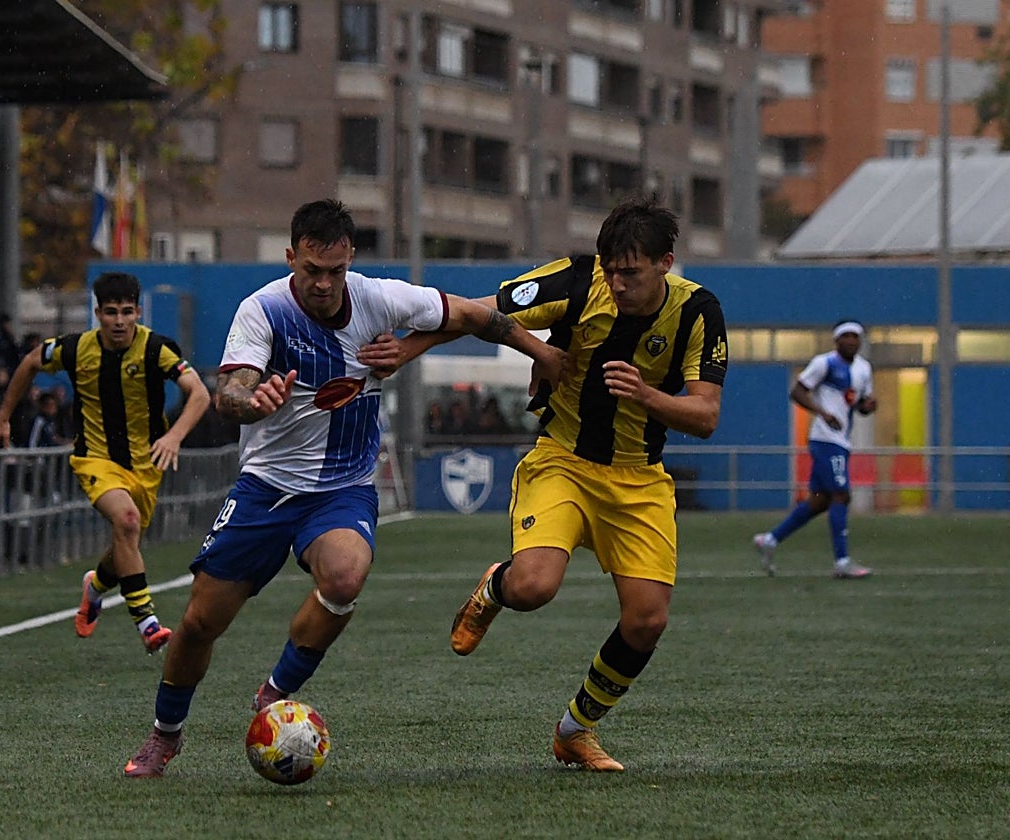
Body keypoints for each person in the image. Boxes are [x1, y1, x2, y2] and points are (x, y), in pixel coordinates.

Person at [122, 198, 566, 778]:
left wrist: (542, 353)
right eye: (312, 271)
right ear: (291, 259)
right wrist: (250, 399)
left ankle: (274, 692)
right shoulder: (263, 310)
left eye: (335, 271)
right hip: (266, 487)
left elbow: (472, 315)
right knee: (202, 622)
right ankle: (165, 734)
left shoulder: (380, 298)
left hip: (342, 487)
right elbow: (230, 389)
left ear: (350, 259)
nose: (324, 284)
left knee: (345, 577)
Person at [363, 195, 728, 772]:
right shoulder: (578, 281)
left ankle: (574, 731)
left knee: (647, 620)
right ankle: (497, 587)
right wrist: (408, 350)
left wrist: (647, 395)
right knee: (534, 588)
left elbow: (705, 416)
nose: (617, 282)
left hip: (639, 481)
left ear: (666, 262)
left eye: (630, 272)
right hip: (562, 461)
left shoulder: (698, 311)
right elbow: (473, 312)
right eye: (611, 269)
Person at [0, 272, 211, 652]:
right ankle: (147, 622)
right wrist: (3, 418)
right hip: (95, 459)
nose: (120, 321)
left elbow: (200, 394)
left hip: (146, 463)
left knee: (127, 539)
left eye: (127, 312)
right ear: (98, 313)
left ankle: (95, 586)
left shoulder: (157, 350)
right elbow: (29, 362)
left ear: (139, 312)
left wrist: (173, 436)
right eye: (111, 313)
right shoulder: (75, 349)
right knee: (126, 522)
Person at [752, 320, 877, 579]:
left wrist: (869, 406)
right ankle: (842, 562)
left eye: (857, 337)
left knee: (819, 501)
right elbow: (797, 391)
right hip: (825, 439)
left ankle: (771, 539)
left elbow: (860, 405)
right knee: (841, 495)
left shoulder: (864, 369)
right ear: (837, 340)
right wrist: (822, 413)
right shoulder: (825, 363)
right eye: (848, 336)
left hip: (842, 439)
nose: (853, 341)